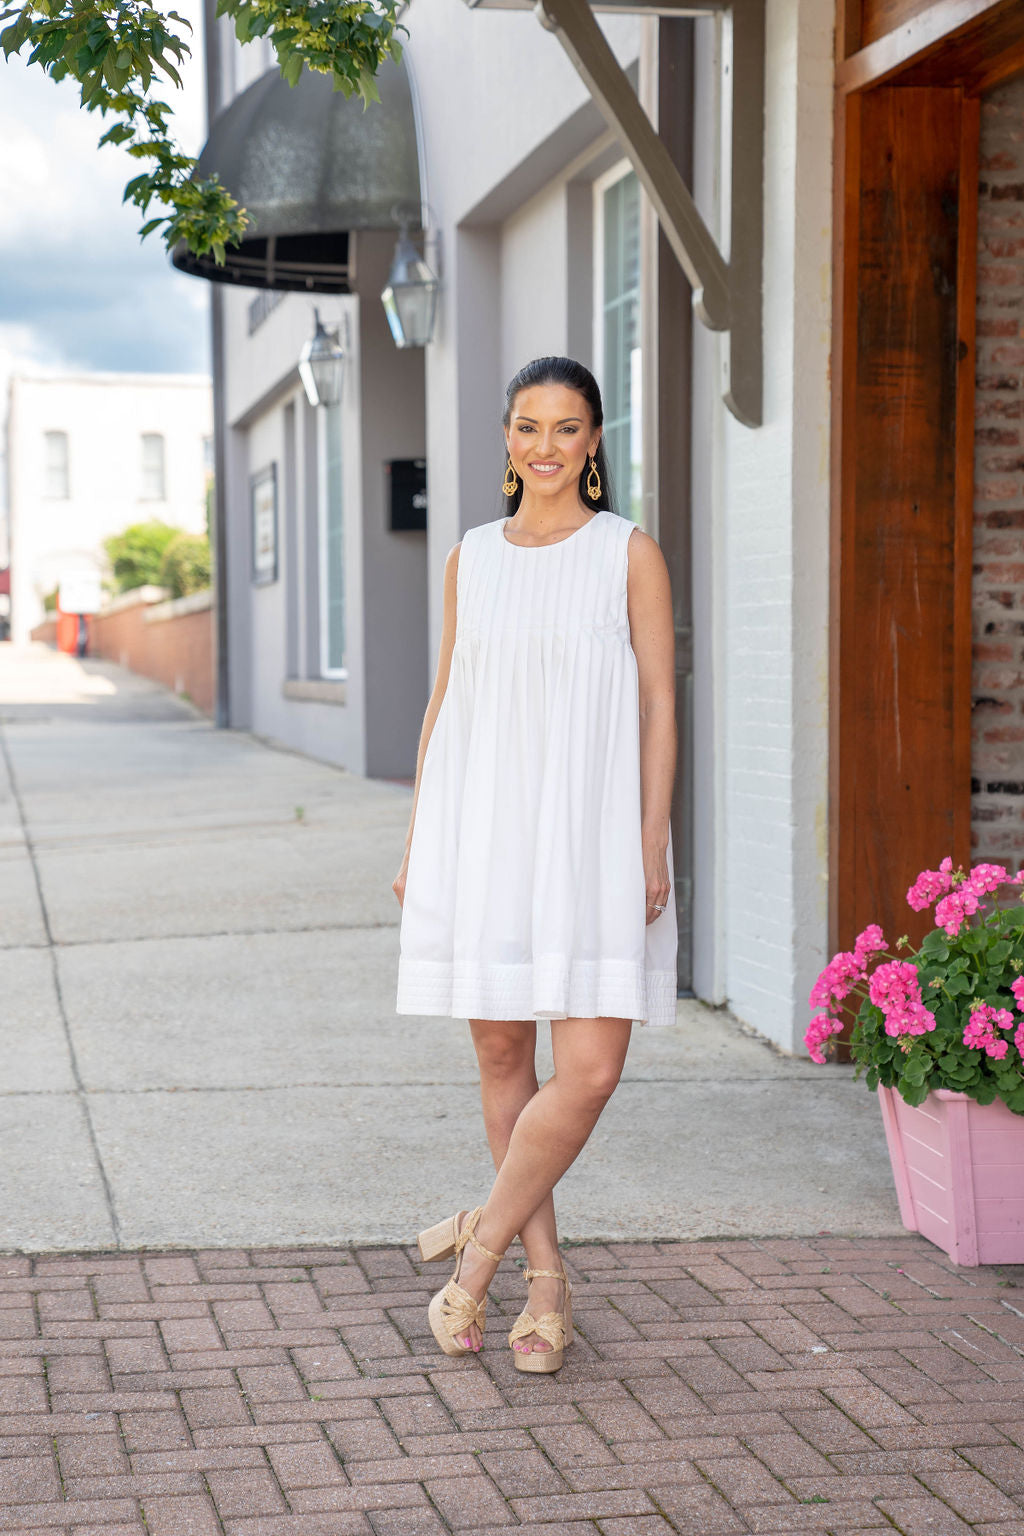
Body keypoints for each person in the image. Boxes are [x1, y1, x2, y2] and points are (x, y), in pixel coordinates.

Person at [393, 355, 677, 1374]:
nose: (545, 447)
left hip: (595, 834)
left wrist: (649, 839)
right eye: (527, 427)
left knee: (590, 1070)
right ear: (506, 440)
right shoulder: (470, 556)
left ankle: (474, 1253)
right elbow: (446, 703)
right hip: (484, 831)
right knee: (505, 1059)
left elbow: (657, 708)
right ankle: (543, 1284)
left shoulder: (627, 554)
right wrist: (421, 836)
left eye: (566, 428)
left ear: (595, 442)